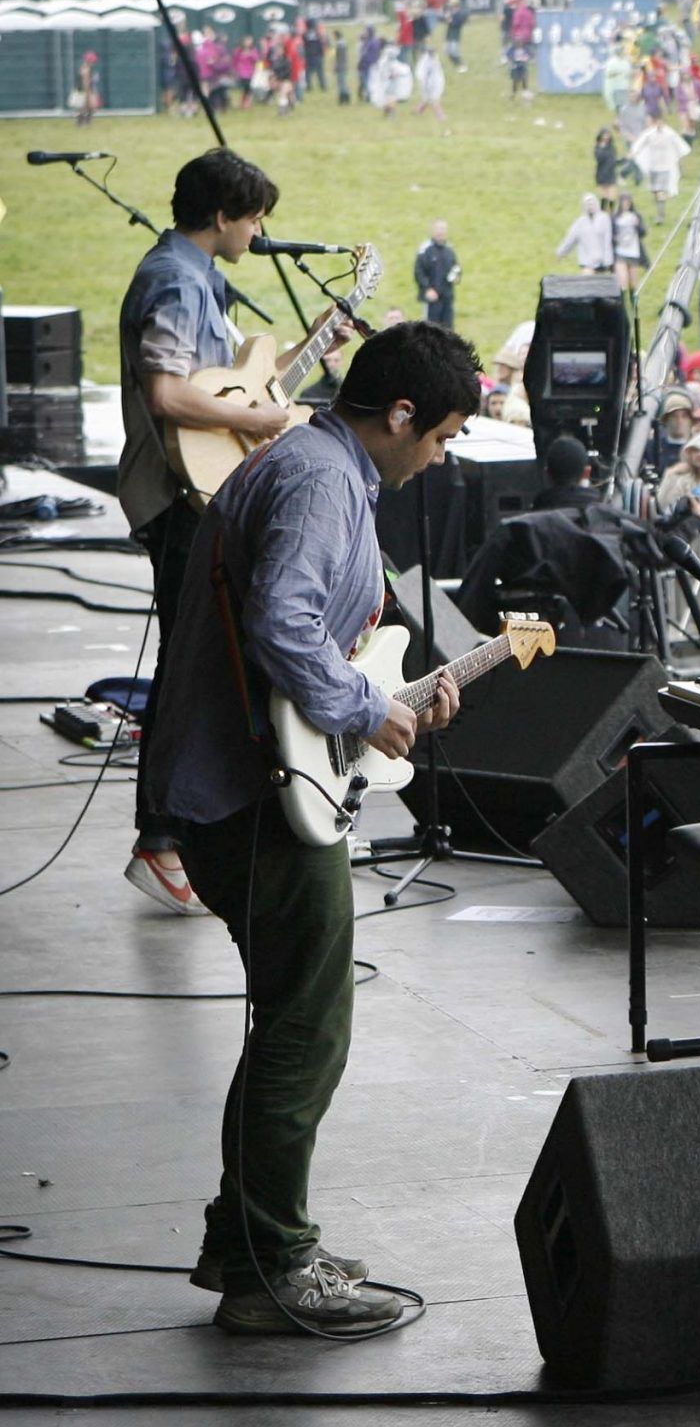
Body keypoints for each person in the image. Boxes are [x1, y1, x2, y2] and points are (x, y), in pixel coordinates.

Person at [145, 321, 478, 1332]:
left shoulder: (309, 465)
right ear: (403, 415)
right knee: (305, 1026)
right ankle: (269, 1272)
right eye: (440, 437)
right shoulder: (321, 481)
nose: (441, 459)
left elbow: (304, 640)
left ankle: (251, 1241)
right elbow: (284, 627)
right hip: (248, 800)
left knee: (298, 1017)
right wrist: (365, 709)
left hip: (234, 786)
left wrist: (392, 692)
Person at [117, 150, 308, 913]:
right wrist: (258, 420)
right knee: (189, 665)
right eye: (254, 216)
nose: (260, 231)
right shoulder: (172, 277)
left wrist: (322, 338)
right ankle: (159, 838)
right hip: (174, 494)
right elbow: (168, 393)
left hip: (195, 495)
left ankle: (176, 833)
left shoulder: (197, 276)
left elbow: (231, 384)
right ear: (223, 216)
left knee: (196, 661)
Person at [412, 219, 458, 327]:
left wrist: (457, 277)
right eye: (438, 229)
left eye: (443, 229)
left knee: (448, 331)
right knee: (431, 330)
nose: (441, 232)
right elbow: (418, 272)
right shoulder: (425, 250)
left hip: (447, 297)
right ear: (432, 231)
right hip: (432, 299)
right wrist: (427, 289)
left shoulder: (449, 251)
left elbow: (456, 268)